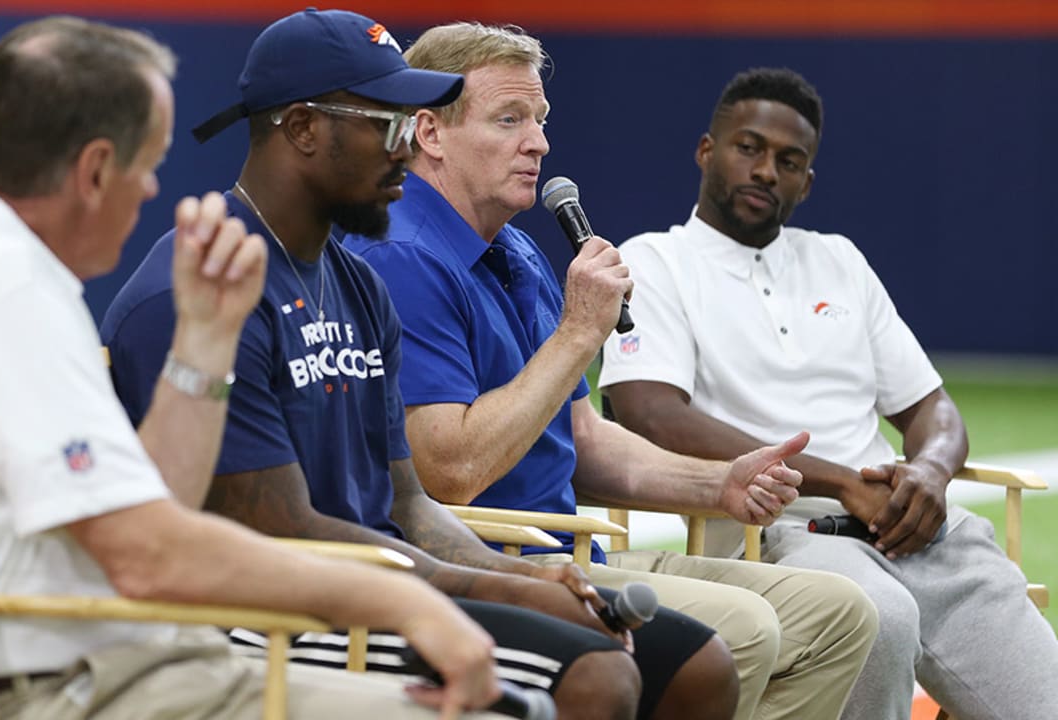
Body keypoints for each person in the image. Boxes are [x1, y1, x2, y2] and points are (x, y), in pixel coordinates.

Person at [0, 16, 512, 720]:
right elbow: (145, 556)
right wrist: (398, 596)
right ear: (92, 170)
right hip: (49, 691)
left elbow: (158, 513)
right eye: (145, 166)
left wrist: (203, 347)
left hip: (109, 668)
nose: (151, 191)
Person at [104, 9, 667, 720]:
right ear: (304, 129)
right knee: (596, 676)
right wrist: (500, 589)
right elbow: (281, 527)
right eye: (388, 122)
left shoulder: (356, 282)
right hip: (262, 612)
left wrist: (516, 571)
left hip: (365, 583)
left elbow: (406, 503)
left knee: (679, 659)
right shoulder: (200, 289)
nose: (408, 148)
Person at [342, 24, 879, 720]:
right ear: (430, 133)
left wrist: (718, 481)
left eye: (539, 120)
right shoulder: (403, 256)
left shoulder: (517, 251)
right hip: (492, 560)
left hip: (566, 547)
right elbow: (447, 472)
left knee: (839, 614)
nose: (538, 142)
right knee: (744, 629)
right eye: (509, 120)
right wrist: (576, 333)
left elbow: (583, 440)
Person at [597, 66, 1058, 720]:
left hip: (909, 529)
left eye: (788, 161)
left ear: (806, 183)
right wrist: (841, 482)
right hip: (772, 533)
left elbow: (932, 407)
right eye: (748, 147)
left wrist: (927, 472)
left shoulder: (838, 260)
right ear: (708, 150)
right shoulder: (652, 263)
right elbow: (649, 415)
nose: (765, 170)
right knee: (880, 615)